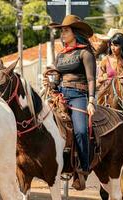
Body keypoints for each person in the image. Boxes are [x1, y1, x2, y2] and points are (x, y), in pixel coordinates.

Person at [43, 15, 96, 190]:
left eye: (65, 30)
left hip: (79, 96)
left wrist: (91, 101)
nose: (62, 34)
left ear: (75, 32)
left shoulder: (85, 53)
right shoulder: (61, 55)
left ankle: (83, 168)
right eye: (61, 31)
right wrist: (52, 84)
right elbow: (57, 76)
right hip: (60, 95)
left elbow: (90, 79)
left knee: (81, 131)